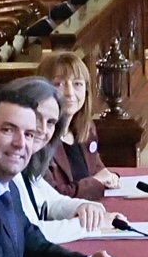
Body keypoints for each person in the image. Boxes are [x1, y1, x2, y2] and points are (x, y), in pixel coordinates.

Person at [0, 78, 118, 257]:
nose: (42, 130)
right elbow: (30, 233)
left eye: (51, 123)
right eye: (37, 118)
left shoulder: (25, 156)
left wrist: (85, 208)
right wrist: (88, 225)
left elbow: (50, 200)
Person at [33, 47, 110, 200]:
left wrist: (107, 176)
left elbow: (97, 168)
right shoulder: (39, 137)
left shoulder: (86, 128)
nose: (69, 93)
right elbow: (53, 197)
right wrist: (95, 182)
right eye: (59, 84)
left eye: (77, 84)